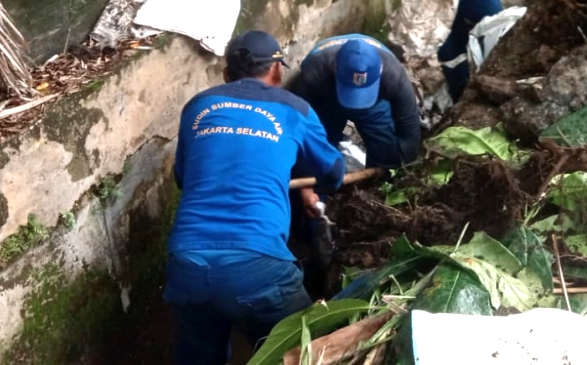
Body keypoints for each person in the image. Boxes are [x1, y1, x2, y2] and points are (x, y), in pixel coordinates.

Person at [164, 30, 345, 365]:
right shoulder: (296, 109)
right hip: (258, 265)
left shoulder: (198, 106)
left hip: (187, 262)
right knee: (305, 352)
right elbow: (333, 173)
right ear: (276, 70)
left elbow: (182, 178)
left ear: (225, 74)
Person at [289, 34, 422, 171]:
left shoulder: (393, 75)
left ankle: (377, 183)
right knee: (318, 151)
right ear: (334, 68)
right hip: (328, 101)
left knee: (388, 154)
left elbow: (409, 122)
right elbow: (301, 119)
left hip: (374, 105)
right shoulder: (315, 70)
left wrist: (405, 166)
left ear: (380, 71)